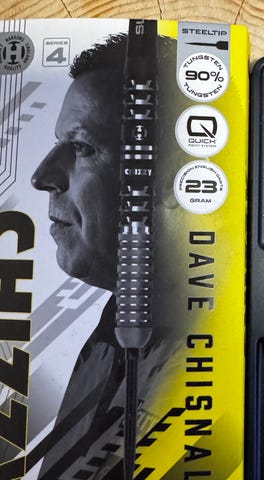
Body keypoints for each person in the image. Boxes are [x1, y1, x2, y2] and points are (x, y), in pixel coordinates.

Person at [31, 33, 185, 479]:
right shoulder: (110, 334)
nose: (42, 177)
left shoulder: (200, 354)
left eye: (81, 147)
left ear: (169, 174)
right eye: (59, 144)